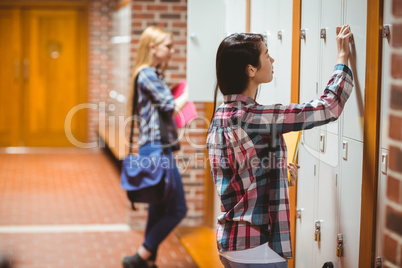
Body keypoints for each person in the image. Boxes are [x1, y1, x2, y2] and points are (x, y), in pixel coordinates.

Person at [206, 25, 353, 267]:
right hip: (257, 249)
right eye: (266, 54)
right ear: (250, 69)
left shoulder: (220, 115)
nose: (272, 59)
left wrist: (278, 175)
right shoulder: (255, 117)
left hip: (231, 245)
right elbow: (328, 107)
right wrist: (342, 58)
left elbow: (238, 173)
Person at [122, 26, 188, 268]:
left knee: (158, 207)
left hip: (155, 147)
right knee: (178, 208)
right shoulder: (147, 73)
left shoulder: (151, 74)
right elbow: (170, 106)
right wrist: (192, 89)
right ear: (153, 47)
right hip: (158, 149)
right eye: (168, 46)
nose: (172, 51)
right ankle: (139, 257)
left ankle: (148, 262)